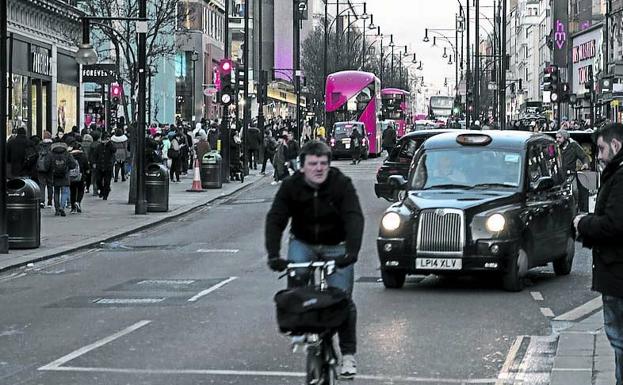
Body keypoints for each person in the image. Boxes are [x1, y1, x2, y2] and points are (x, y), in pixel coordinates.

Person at [265, 140, 364, 379]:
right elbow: (276, 219)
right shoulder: (291, 186)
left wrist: (351, 252)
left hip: (336, 244)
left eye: (323, 164)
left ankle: (348, 355)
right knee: (297, 280)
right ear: (302, 167)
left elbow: (354, 217)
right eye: (313, 164)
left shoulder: (341, 184)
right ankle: (299, 327)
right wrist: (274, 255)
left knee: (342, 300)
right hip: (304, 241)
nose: (318, 169)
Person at [574, 123, 623, 385]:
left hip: (618, 273)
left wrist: (584, 224)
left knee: (620, 340)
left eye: (602, 149)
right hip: (615, 272)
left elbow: (615, 224)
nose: (600, 156)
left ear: (616, 146)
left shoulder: (620, 176)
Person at [45, 141, 77, 216]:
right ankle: (62, 207)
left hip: (54, 175)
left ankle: (57, 209)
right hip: (65, 175)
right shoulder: (67, 153)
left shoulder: (51, 153)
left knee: (56, 192)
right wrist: (68, 168)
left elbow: (47, 164)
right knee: (65, 192)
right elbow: (73, 164)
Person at [92, 131, 116, 200]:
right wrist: (94, 163)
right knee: (98, 180)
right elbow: (95, 155)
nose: (105, 141)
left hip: (108, 166)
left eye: (107, 139)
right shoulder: (99, 146)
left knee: (107, 182)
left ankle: (105, 194)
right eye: (104, 139)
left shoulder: (111, 146)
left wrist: (110, 143)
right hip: (99, 166)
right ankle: (101, 190)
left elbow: (114, 150)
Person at [69, 142, 88, 213]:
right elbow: (86, 166)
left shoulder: (70, 155)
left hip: (71, 176)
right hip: (80, 175)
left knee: (72, 191)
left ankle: (73, 208)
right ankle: (78, 201)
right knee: (80, 190)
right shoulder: (82, 156)